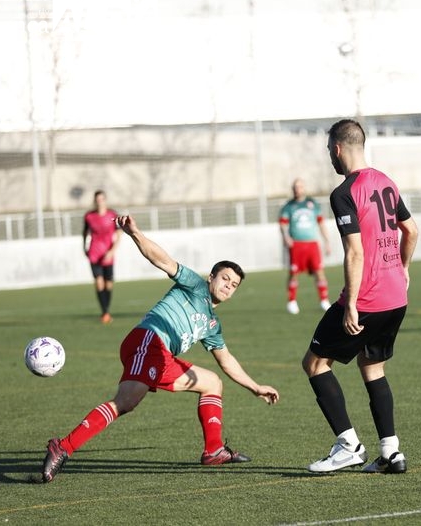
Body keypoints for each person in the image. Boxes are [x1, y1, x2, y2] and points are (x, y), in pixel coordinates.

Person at [41, 214, 280, 483]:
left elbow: (226, 361)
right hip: (149, 340)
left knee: (212, 382)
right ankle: (63, 447)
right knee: (125, 402)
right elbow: (161, 259)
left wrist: (256, 387)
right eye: (225, 278)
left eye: (234, 285)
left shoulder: (213, 323)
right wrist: (135, 233)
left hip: (161, 356)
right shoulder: (194, 284)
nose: (228, 286)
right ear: (211, 276)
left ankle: (214, 450)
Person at [301, 119, 419, 474]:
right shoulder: (385, 181)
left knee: (315, 363)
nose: (329, 157)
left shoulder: (343, 193)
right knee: (372, 366)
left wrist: (349, 303)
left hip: (366, 299)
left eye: (328, 151)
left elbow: (354, 253)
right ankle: (391, 453)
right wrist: (403, 267)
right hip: (396, 297)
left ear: (337, 149)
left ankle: (348, 444)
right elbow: (411, 230)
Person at [279, 178, 332, 314]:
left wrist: (327, 242)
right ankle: (291, 301)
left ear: (304, 188)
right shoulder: (288, 206)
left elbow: (321, 223)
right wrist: (286, 237)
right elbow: (283, 224)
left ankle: (324, 300)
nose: (298, 189)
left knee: (319, 273)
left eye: (300, 186)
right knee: (294, 274)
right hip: (296, 245)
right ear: (293, 189)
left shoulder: (312, 204)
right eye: (295, 187)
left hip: (312, 244)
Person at [83, 190, 121, 323]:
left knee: (108, 284)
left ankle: (106, 310)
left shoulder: (113, 215)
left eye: (102, 199)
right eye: (97, 200)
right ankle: (105, 312)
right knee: (99, 283)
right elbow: (85, 233)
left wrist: (112, 251)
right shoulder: (89, 216)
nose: (100, 202)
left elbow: (119, 235)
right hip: (95, 254)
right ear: (95, 201)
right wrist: (85, 248)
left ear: (105, 200)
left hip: (108, 254)